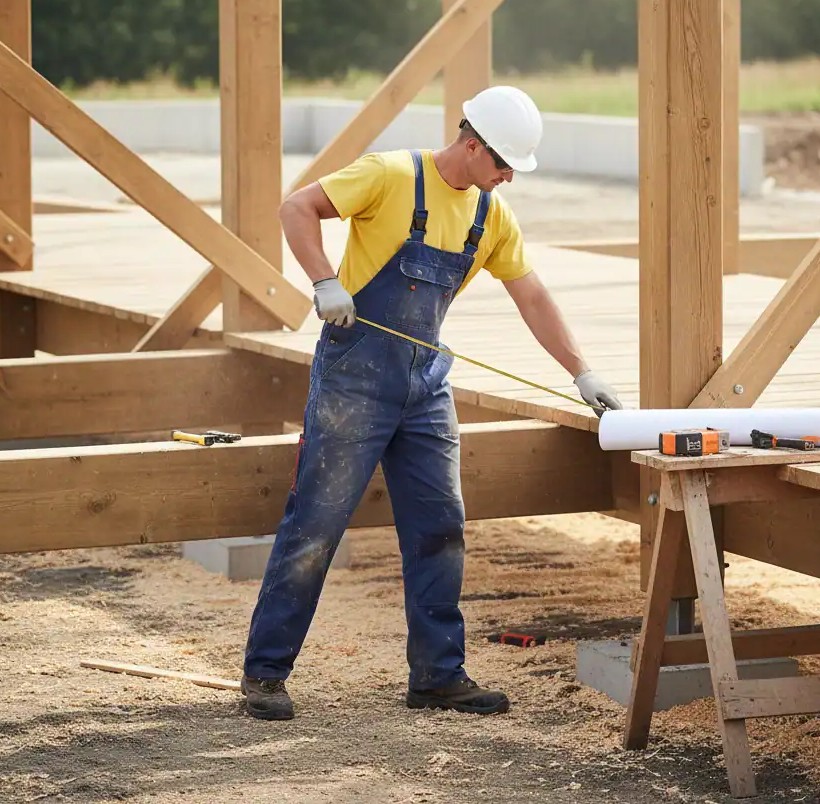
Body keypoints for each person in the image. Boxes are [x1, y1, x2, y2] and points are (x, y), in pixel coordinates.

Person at [240, 85, 624, 721]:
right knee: (316, 525)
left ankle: (438, 676)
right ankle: (265, 673)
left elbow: (532, 297)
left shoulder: (491, 216)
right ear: (471, 144)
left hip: (424, 387)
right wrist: (325, 280)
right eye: (501, 165)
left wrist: (582, 372)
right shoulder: (389, 175)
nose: (505, 179)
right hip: (353, 380)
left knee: (441, 530)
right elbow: (297, 208)